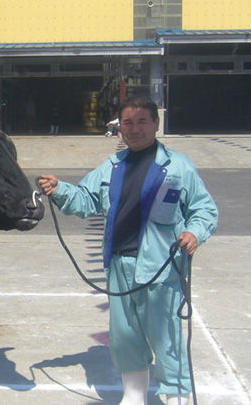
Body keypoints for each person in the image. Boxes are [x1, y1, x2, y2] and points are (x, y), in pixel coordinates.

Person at [39, 96, 218, 405]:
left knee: (167, 340)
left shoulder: (178, 166)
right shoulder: (112, 167)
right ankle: (134, 397)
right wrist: (61, 189)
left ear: (156, 124)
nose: (134, 129)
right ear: (118, 127)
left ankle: (176, 398)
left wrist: (194, 233)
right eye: (127, 123)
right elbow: (86, 200)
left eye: (141, 122)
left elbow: (204, 210)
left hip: (162, 268)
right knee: (125, 337)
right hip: (120, 266)